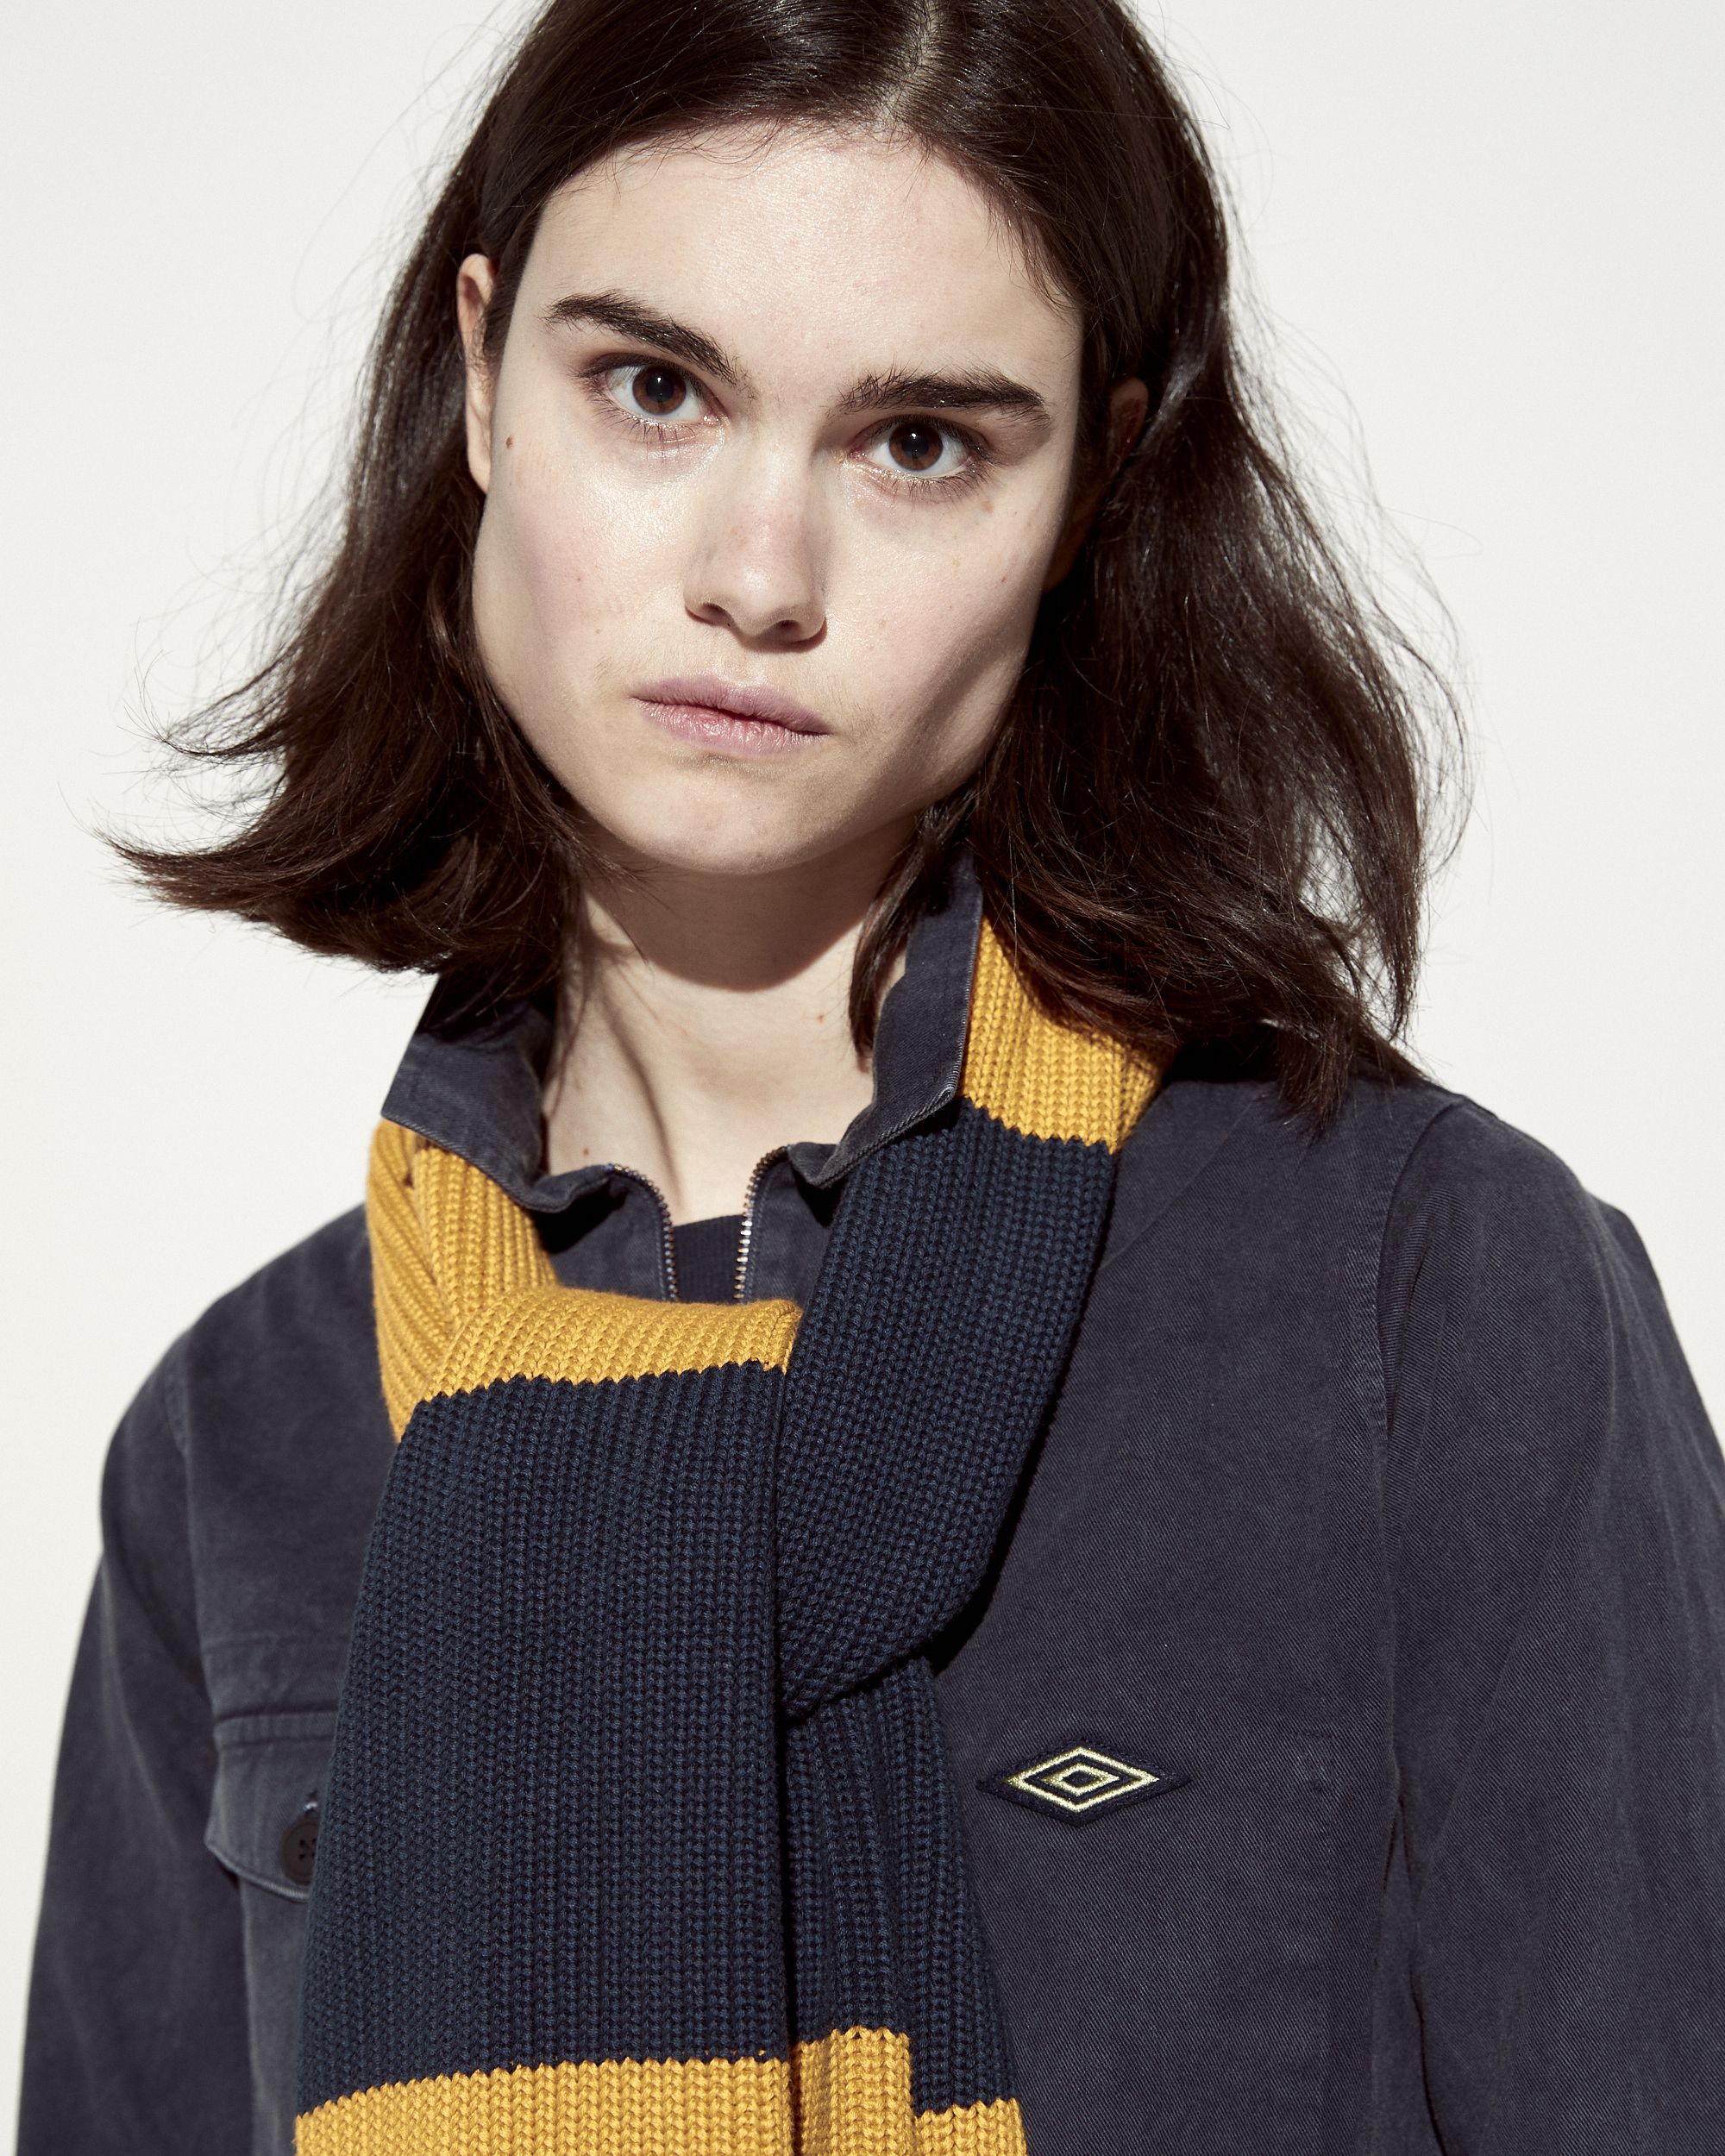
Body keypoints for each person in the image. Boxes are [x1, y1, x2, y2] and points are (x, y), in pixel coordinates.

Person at [18, 0, 1724, 2150]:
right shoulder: (245, 1436)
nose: (760, 579)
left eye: (918, 442)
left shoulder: (1413, 1295)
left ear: (1087, 485)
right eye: (654, 389)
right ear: (480, 376)